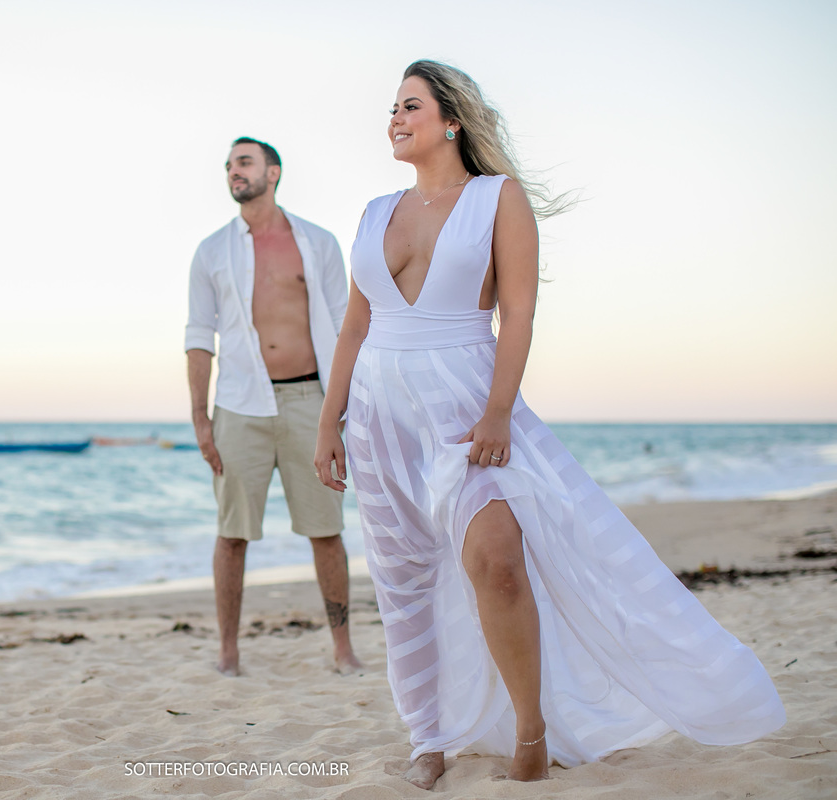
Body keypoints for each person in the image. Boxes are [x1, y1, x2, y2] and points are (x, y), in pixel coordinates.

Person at [314, 61, 785, 787]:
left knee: (497, 561)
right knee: (404, 579)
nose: (395, 119)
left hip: (466, 406)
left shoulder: (497, 198)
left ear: (452, 120)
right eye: (393, 109)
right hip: (379, 417)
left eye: (410, 106)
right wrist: (329, 423)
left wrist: (499, 410)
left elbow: (519, 315)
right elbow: (354, 327)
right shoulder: (376, 212)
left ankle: (530, 729)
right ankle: (427, 737)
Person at [186, 137, 361, 677]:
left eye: (244, 162)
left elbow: (346, 324)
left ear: (274, 171)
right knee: (232, 532)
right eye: (229, 166)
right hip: (240, 406)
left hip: (311, 401)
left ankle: (343, 648)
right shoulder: (212, 251)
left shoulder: (318, 242)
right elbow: (199, 335)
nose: (233, 172)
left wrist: (347, 406)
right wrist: (200, 416)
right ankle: (228, 653)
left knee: (326, 529)